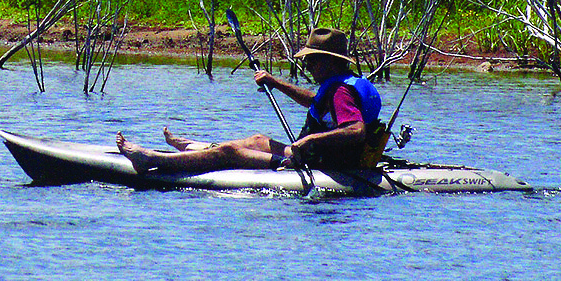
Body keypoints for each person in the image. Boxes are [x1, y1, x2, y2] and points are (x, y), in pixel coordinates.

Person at [116, 27, 381, 175]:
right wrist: (275, 82)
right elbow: (316, 101)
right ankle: (192, 147)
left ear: (330, 60)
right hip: (317, 156)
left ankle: (152, 159)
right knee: (256, 140)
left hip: (318, 163)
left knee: (229, 153)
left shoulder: (341, 92)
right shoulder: (341, 84)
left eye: (312, 60)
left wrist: (309, 140)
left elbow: (355, 130)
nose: (308, 65)